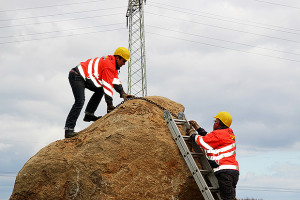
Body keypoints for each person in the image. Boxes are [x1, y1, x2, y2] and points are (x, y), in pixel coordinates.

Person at [64, 47, 134, 138]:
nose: (124, 64)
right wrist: (109, 105)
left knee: (100, 90)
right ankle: (69, 130)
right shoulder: (108, 65)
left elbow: (115, 81)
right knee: (79, 101)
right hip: (76, 75)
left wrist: (123, 93)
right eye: (124, 61)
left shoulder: (114, 66)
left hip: (84, 77)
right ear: (118, 58)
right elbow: (107, 85)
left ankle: (89, 114)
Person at [189, 111, 239, 200]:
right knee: (229, 195)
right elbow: (212, 139)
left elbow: (203, 142)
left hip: (224, 172)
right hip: (233, 172)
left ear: (218, 123)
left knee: (227, 198)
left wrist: (193, 135)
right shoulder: (228, 133)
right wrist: (199, 129)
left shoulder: (218, 134)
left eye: (215, 121)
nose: (214, 123)